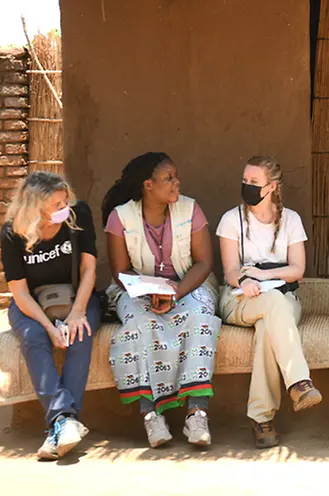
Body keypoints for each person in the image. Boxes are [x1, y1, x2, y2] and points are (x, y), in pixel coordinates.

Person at [102, 152, 221, 448]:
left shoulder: (190, 210)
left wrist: (175, 293)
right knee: (140, 322)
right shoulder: (121, 217)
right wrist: (150, 291)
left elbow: (204, 263)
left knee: (200, 317)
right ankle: (151, 415)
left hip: (189, 285)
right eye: (168, 178)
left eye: (176, 176)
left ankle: (197, 413)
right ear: (148, 185)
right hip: (135, 289)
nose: (176, 182)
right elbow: (120, 271)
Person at [216, 156, 322, 449]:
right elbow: (230, 271)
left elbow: (297, 269)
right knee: (271, 304)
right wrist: (246, 280)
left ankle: (261, 419)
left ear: (272, 186)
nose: (246, 186)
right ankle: (299, 382)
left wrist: (264, 274)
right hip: (240, 299)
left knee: (268, 326)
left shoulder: (291, 220)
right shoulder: (231, 220)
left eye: (254, 182)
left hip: (282, 297)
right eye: (244, 180)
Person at [0, 171, 101, 460]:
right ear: (36, 208)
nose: (64, 208)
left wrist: (78, 312)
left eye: (65, 200)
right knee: (33, 336)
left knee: (80, 334)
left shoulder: (78, 215)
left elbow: (88, 270)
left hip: (75, 296)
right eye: (57, 205)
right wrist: (47, 326)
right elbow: (19, 292)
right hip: (32, 303)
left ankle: (60, 424)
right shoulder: (12, 233)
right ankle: (64, 421)